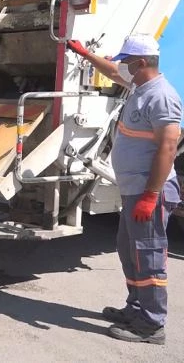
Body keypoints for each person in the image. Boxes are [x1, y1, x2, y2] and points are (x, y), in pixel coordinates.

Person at [68, 35, 182, 344]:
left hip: (149, 193)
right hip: (134, 190)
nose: (123, 66)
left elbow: (168, 148)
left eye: (127, 61)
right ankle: (136, 308)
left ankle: (151, 325)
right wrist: (85, 54)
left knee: (149, 257)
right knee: (129, 253)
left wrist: (150, 196)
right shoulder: (140, 86)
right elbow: (112, 72)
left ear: (141, 63)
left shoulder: (161, 96)